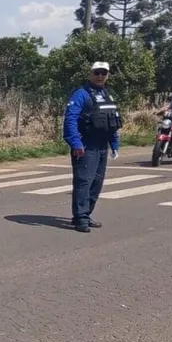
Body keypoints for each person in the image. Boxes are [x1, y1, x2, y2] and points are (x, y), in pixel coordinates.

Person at [63, 61, 122, 233]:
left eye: (104, 73)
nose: (100, 76)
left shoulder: (106, 94)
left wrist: (115, 144)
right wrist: (75, 143)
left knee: (97, 182)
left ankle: (86, 215)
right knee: (84, 182)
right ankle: (80, 218)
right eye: (97, 72)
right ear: (91, 74)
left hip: (102, 145)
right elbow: (70, 120)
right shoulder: (81, 94)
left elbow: (110, 121)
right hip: (86, 146)